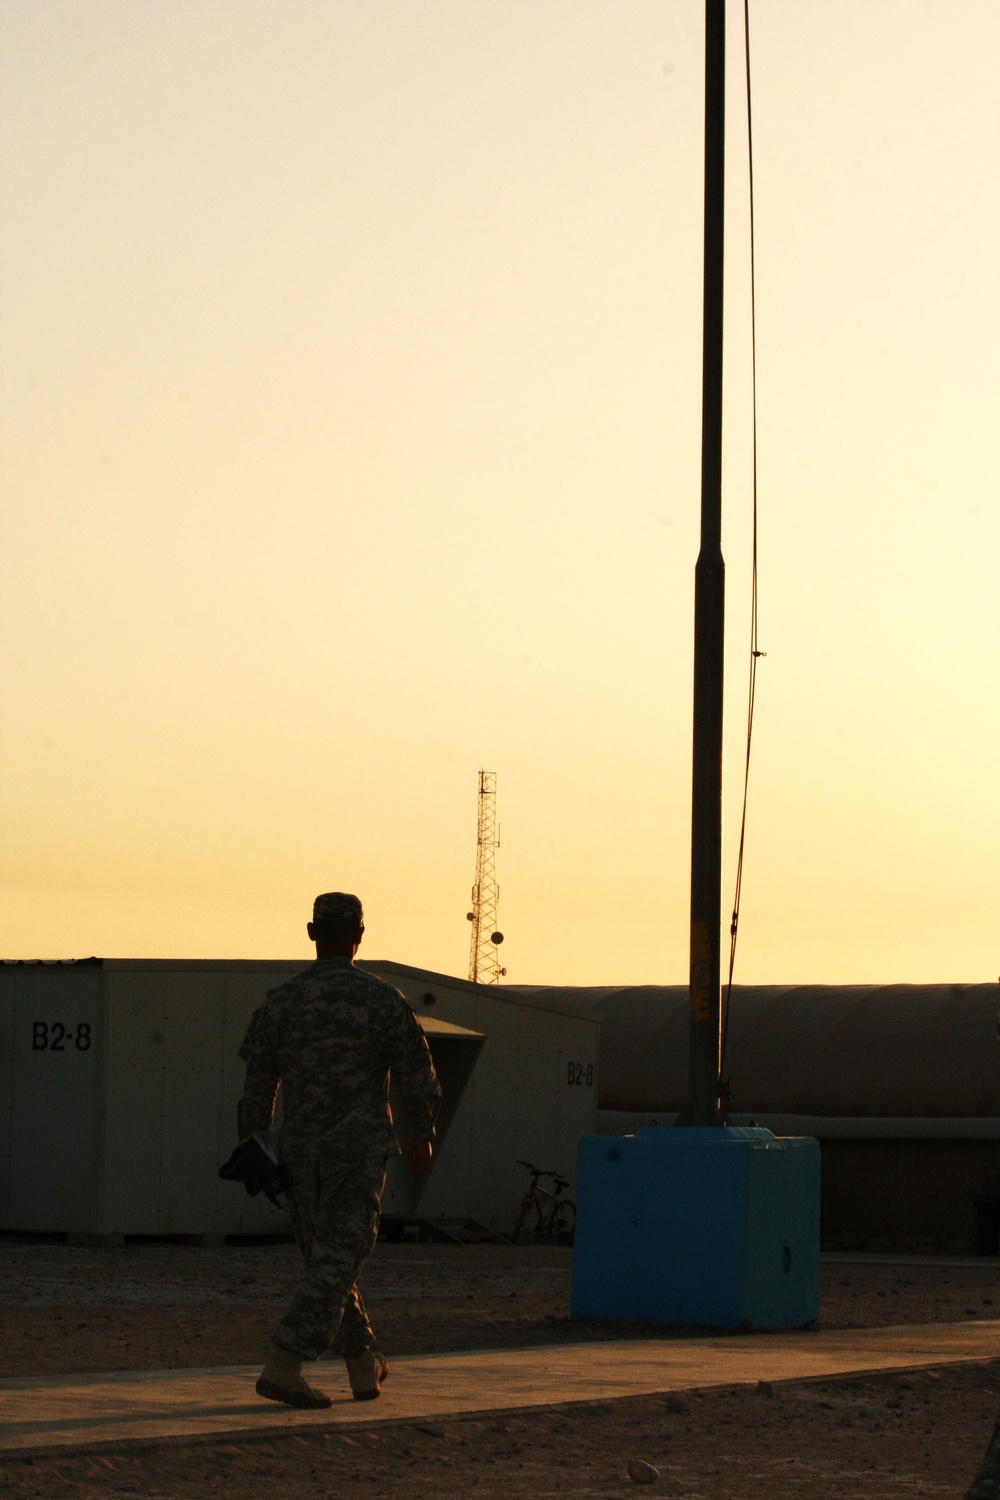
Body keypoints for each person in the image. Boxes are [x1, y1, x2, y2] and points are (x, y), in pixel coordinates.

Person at [236, 891, 442, 1408]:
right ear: (359, 935)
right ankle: (285, 1363)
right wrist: (423, 1130)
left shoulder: (279, 1002)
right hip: (358, 1151)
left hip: (300, 1155)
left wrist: (255, 1146)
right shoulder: (381, 999)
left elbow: (257, 1086)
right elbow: (418, 1072)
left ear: (311, 933)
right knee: (337, 1259)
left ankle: (361, 1364)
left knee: (327, 1261)